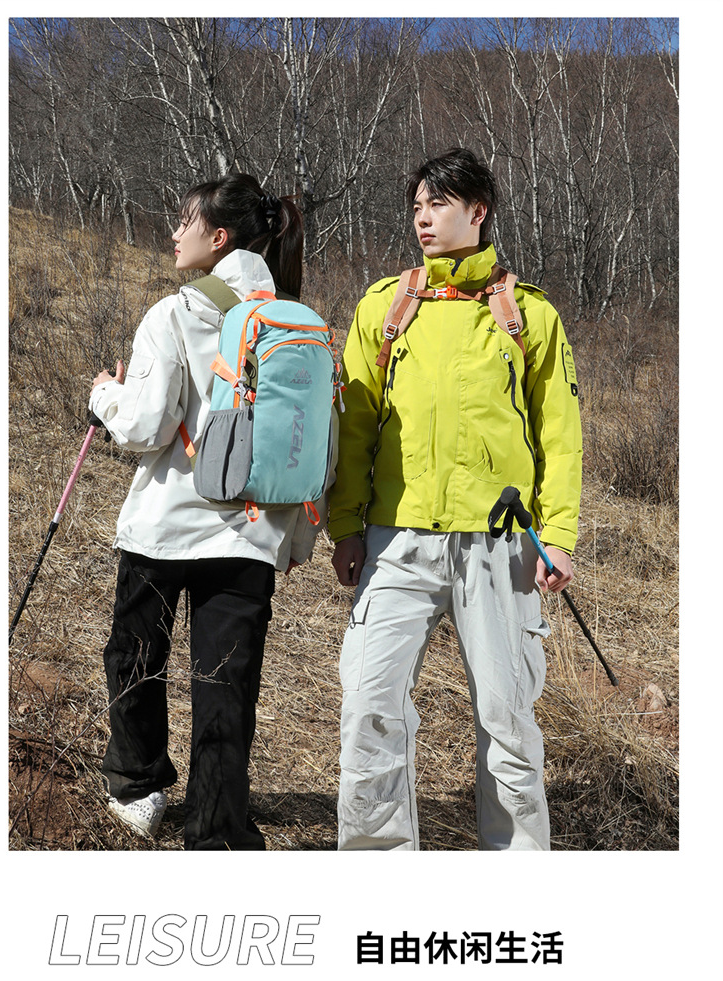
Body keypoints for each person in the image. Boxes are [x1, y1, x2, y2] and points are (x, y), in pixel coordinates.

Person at [328, 148, 582, 851]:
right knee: (368, 708)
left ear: (478, 211)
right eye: (416, 206)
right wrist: (345, 526)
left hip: (500, 545)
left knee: (509, 720)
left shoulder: (528, 314)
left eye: (437, 204)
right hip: (395, 540)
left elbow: (560, 436)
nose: (422, 218)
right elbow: (354, 426)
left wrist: (558, 537)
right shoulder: (385, 306)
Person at [90, 175, 332, 850]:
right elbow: (320, 443)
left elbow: (145, 426)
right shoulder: (297, 322)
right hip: (252, 536)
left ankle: (138, 788)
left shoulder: (176, 313)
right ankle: (218, 831)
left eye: (185, 221)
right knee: (227, 684)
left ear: (218, 237)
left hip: (165, 529)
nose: (175, 233)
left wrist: (103, 395)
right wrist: (296, 540)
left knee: (135, 656)